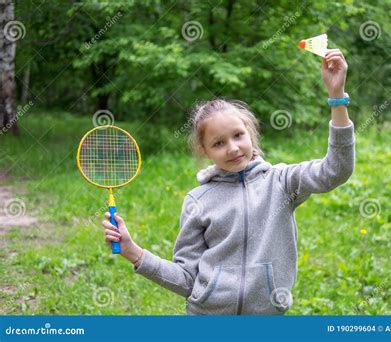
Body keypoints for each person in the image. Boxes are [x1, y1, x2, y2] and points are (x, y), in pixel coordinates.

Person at [102, 49, 355, 315]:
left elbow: (336, 170)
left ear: (251, 134)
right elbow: (187, 279)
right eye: (219, 143)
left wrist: (337, 97)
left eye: (237, 135)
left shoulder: (282, 182)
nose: (233, 148)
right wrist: (133, 252)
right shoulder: (198, 201)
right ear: (205, 151)